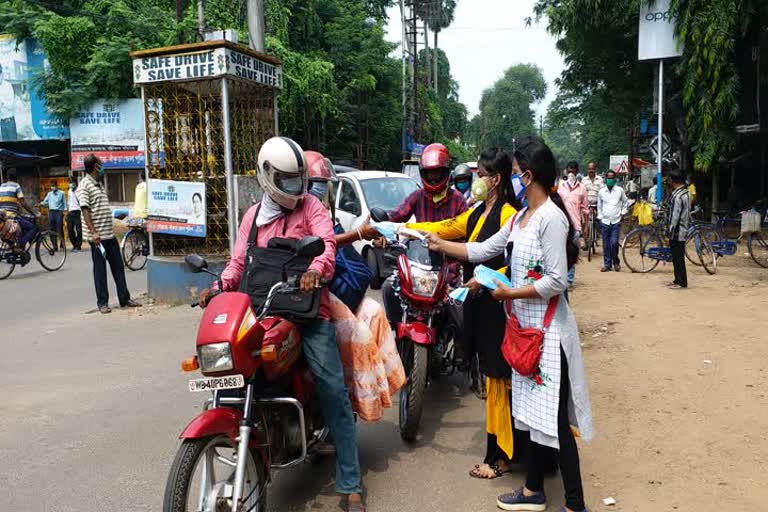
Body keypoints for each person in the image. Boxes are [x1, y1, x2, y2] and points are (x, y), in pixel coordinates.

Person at [423, 136, 593, 512]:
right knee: (533, 416)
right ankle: (533, 491)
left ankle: (576, 504)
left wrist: (508, 294)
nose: (512, 179)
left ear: (528, 176)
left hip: (549, 334)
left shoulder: (550, 218)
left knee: (557, 424)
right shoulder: (519, 219)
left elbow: (556, 281)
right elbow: (482, 250)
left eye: (515, 173)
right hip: (525, 334)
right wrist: (439, 244)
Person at [199, 138, 366, 512]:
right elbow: (238, 263)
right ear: (268, 176)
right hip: (262, 310)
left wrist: (313, 272)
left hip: (307, 313)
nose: (296, 189)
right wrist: (218, 286)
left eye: (299, 180)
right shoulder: (253, 217)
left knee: (332, 387)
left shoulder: (313, 209)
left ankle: (351, 483)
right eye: (288, 181)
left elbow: (325, 248)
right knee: (235, 372)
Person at [408, 148, 530, 480]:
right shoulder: (476, 213)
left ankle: (500, 457)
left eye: (482, 174)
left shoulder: (508, 214)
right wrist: (397, 228)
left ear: (496, 180)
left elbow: (512, 261)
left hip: (498, 308)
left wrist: (487, 279)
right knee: (492, 381)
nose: (477, 179)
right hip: (477, 305)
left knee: (499, 381)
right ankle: (502, 450)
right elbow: (444, 227)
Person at [305, 149, 406, 422]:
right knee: (358, 334)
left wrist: (377, 231)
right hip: (300, 298)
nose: (318, 193)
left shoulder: (325, 217)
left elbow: (329, 250)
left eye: (323, 187)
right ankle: (352, 399)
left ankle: (355, 403)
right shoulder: (275, 216)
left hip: (325, 292)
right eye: (315, 185)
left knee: (374, 310)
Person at [382, 142, 468, 325]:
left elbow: (468, 233)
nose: (434, 177)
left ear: (446, 172)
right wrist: (380, 229)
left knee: (460, 310)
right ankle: (396, 329)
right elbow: (396, 216)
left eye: (438, 172)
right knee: (388, 288)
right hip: (418, 266)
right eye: (430, 172)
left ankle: (460, 351)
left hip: (448, 271)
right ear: (423, 173)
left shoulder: (459, 201)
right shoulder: (417, 197)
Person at [76, 154, 140, 314]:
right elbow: (85, 210)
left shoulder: (98, 184)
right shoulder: (84, 185)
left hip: (109, 235)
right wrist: (93, 232)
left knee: (118, 267)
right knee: (100, 271)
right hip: (97, 237)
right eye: (101, 163)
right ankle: (102, 303)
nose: (103, 166)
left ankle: (124, 299)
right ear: (96, 166)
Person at [558, 166, 587, 287]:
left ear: (577, 172)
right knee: (560, 252)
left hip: (575, 225)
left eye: (573, 171)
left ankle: (569, 280)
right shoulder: (560, 187)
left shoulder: (582, 188)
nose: (571, 174)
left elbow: (585, 208)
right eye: (569, 171)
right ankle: (560, 278)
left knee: (572, 253)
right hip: (561, 225)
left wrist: (585, 227)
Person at [0, 168, 39, 251]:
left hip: (2, 217)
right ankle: (21, 244)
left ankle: (17, 246)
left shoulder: (1, 186)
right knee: (33, 228)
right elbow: (23, 203)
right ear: (16, 177)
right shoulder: (16, 186)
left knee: (22, 223)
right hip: (12, 217)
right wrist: (33, 213)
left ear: (7, 177)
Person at [597, 170, 627, 272]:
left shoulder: (620, 190)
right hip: (605, 221)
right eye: (608, 178)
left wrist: (623, 212)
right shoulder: (601, 192)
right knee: (606, 245)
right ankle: (607, 264)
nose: (610, 180)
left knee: (614, 243)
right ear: (606, 179)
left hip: (616, 221)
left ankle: (616, 261)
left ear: (615, 179)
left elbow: (625, 202)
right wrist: (600, 217)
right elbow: (599, 206)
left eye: (612, 178)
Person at [668, 172, 690, 289]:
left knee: (678, 257)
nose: (669, 182)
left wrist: (670, 230)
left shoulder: (678, 196)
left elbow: (675, 216)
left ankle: (681, 282)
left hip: (677, 230)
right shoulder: (685, 193)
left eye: (670, 179)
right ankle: (677, 279)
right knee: (677, 256)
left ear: (674, 181)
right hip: (681, 229)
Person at [581, 161, 603, 244]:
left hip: (597, 205)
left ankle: (597, 234)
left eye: (592, 169)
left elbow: (602, 192)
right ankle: (586, 240)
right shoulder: (584, 180)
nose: (591, 170)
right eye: (589, 169)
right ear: (587, 170)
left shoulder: (600, 180)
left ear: (595, 169)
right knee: (583, 222)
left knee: (598, 221)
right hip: (586, 205)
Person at [41, 182, 67, 250]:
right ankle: (54, 246)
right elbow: (45, 201)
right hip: (51, 212)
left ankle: (62, 243)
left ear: (56, 186)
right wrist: (40, 204)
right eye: (52, 186)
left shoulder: (62, 193)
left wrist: (65, 212)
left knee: (60, 229)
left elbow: (65, 203)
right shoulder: (49, 194)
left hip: (59, 212)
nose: (53, 187)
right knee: (52, 230)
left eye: (54, 185)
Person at [0, 64, 17, 141]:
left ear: (1, 73)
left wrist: (1, 102)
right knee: (5, 148)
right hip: (2, 123)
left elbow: (10, 105)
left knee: (14, 147)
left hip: (10, 122)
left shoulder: (8, 86)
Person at [67, 179, 83, 251]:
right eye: (69, 183)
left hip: (77, 211)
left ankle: (78, 246)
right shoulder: (69, 191)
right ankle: (74, 244)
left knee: (78, 229)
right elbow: (69, 201)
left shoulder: (79, 191)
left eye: (71, 182)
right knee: (70, 230)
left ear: (75, 183)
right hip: (70, 212)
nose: (70, 184)